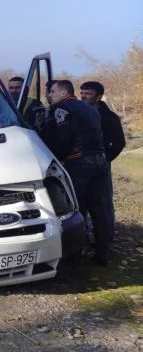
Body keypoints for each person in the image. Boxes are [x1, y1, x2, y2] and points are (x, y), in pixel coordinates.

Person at [42, 80, 112, 265]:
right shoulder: (89, 108)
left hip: (78, 162)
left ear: (64, 92)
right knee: (100, 209)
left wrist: (56, 158)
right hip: (100, 161)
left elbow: (63, 138)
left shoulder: (61, 109)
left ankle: (75, 254)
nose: (49, 95)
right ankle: (102, 252)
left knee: (76, 209)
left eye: (53, 92)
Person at [79, 81, 126, 239]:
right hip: (78, 165)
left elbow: (119, 143)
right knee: (79, 204)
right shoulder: (77, 114)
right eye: (82, 93)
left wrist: (105, 159)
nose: (83, 96)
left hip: (101, 166)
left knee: (102, 205)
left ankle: (104, 244)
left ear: (98, 96)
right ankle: (81, 238)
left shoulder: (109, 118)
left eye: (88, 93)